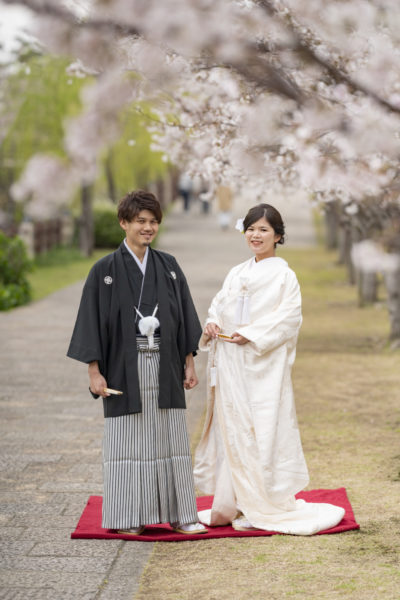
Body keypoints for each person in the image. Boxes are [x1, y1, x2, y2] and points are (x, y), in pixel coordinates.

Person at [194, 203, 345, 535]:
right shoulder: (237, 272)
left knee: (262, 429)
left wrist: (250, 335)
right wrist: (213, 322)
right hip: (232, 362)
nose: (255, 235)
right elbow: (218, 303)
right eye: (250, 228)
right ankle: (232, 502)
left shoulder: (285, 276)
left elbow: (288, 318)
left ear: (278, 235)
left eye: (263, 229)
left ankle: (261, 502)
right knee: (232, 431)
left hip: (262, 366)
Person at [67, 190, 207, 535]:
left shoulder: (169, 267)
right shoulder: (105, 271)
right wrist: (94, 372)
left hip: (165, 364)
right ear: (124, 223)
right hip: (123, 368)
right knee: (127, 442)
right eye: (140, 221)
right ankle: (129, 517)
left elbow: (183, 318)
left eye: (153, 222)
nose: (148, 228)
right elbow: (92, 321)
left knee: (170, 438)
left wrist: (189, 363)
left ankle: (180, 515)